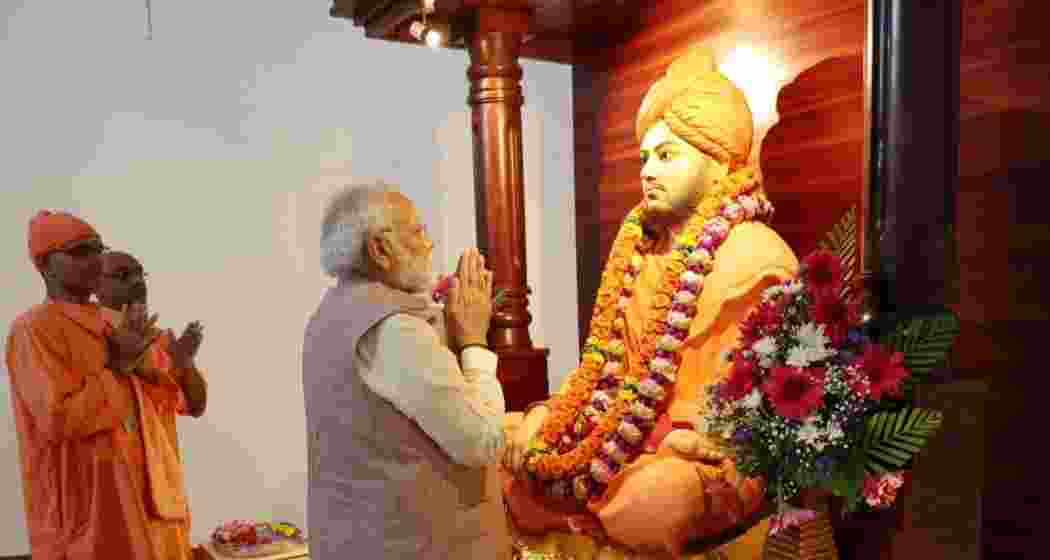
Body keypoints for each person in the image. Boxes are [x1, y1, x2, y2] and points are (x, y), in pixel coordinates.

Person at [501, 45, 801, 559]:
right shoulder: (639, 248)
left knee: (661, 500)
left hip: (701, 454)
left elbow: (755, 416)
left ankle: (600, 504)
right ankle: (589, 497)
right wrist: (550, 418)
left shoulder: (756, 258)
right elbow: (602, 370)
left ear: (718, 163)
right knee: (510, 446)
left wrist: (683, 440)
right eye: (644, 157)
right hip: (622, 433)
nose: (648, 171)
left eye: (667, 155)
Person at [302, 183, 510, 559]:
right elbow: (482, 441)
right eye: (417, 231)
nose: (428, 244)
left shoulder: (330, 313)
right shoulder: (394, 328)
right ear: (381, 249)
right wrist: (474, 340)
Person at [5, 210, 193, 559]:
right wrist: (119, 366)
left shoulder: (112, 322)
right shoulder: (34, 329)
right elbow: (59, 419)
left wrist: (174, 366)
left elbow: (165, 401)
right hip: (86, 513)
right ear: (45, 265)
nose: (95, 259)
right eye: (80, 251)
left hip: (150, 501)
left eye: (97, 249)